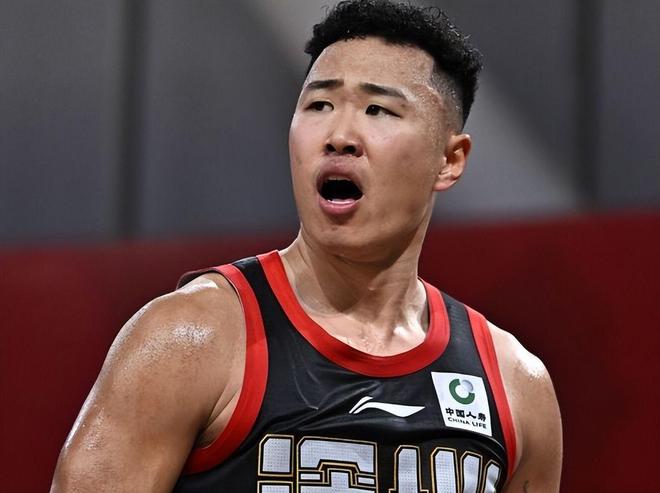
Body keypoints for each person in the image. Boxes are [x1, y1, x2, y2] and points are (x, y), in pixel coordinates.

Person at [51, 1, 562, 492]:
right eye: (319, 104)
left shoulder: (516, 387)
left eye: (378, 109)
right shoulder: (190, 340)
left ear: (449, 160)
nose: (340, 135)